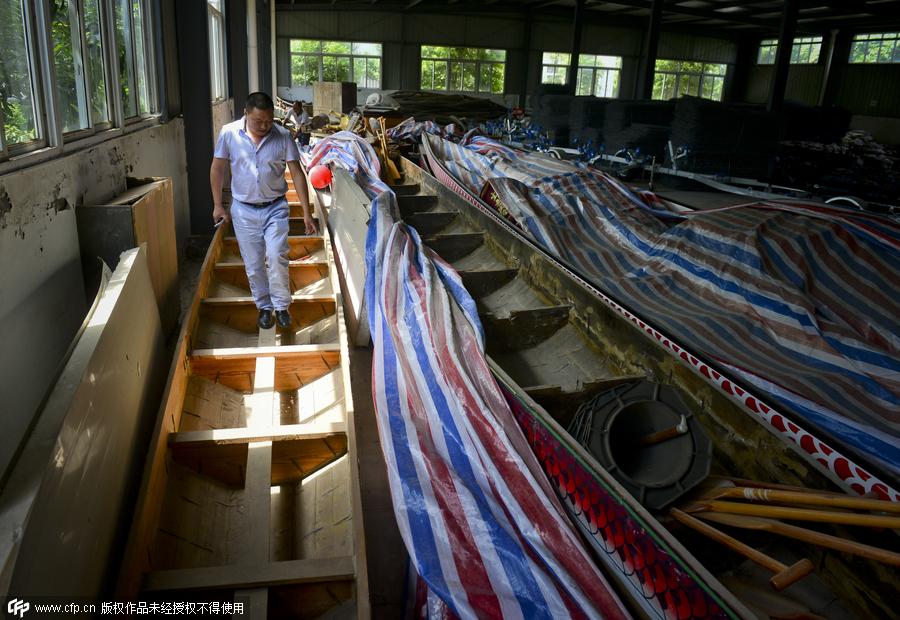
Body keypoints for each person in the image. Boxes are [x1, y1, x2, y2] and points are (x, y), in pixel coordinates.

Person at [210, 92, 316, 330]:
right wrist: (218, 205)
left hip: (275, 208)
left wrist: (307, 212)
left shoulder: (282, 136)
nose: (265, 126)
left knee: (277, 255)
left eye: (269, 121)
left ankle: (281, 306)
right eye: (259, 122)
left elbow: (297, 173)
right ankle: (264, 307)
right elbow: (217, 169)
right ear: (246, 114)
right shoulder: (229, 134)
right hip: (243, 211)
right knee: (254, 263)